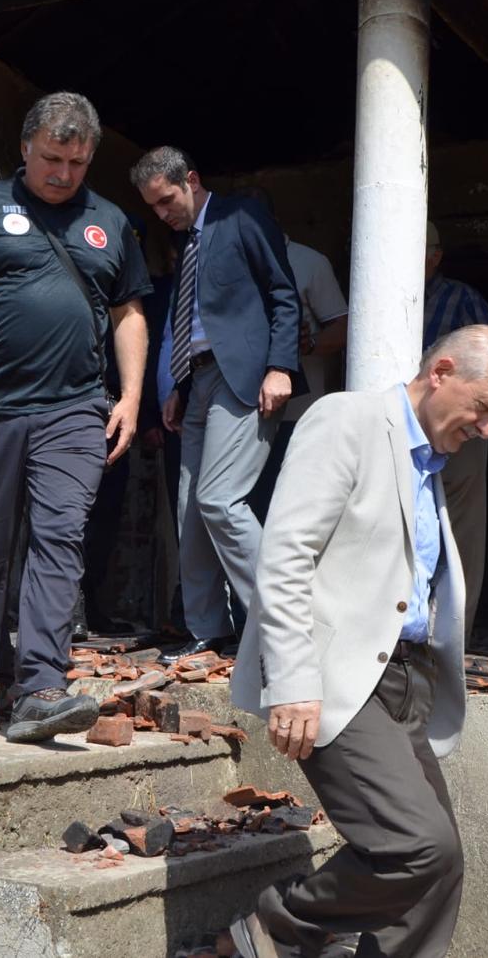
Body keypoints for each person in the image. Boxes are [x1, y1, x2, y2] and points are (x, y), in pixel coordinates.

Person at [228, 325, 488, 958]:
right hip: (338, 676)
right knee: (419, 846)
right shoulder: (349, 421)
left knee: (441, 866)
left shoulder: (441, 464)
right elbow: (285, 556)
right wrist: (293, 682)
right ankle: (273, 929)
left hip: (407, 680)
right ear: (441, 372)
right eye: (485, 408)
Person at [0, 91, 151, 743]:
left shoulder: (111, 223)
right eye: (51, 158)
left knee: (60, 535)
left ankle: (43, 684)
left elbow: (128, 312)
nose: (63, 173)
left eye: (76, 161)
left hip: (75, 408)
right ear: (25, 147)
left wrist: (128, 396)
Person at [130, 147, 301, 664]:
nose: (163, 214)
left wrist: (281, 367)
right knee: (189, 508)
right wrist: (178, 388)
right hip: (198, 382)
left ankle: (282, 628)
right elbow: (196, 324)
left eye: (166, 201)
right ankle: (209, 629)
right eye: (153, 208)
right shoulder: (187, 244)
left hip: (244, 379)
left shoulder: (240, 216)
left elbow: (283, 293)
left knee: (220, 500)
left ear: (192, 180)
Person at [235, 186, 348, 523]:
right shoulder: (227, 261)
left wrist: (307, 344)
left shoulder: (309, 261)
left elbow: (345, 328)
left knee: (291, 512)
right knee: (242, 509)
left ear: (273, 220)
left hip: (297, 416)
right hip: (240, 414)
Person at [423, 221, 488, 635]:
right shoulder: (378, 294)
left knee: (459, 529)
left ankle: (455, 635)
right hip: (403, 427)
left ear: (435, 257)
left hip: (458, 431)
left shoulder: (463, 299)